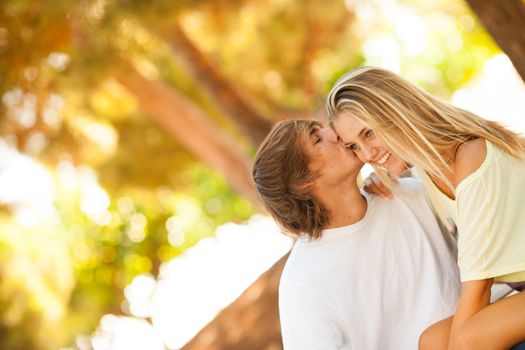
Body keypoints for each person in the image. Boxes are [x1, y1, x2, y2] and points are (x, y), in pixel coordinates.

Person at [326, 66, 525, 350]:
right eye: (354, 146)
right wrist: (377, 178)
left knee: (468, 341)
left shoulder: (472, 160)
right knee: (431, 341)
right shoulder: (428, 168)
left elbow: (478, 289)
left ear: (399, 112)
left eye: (369, 133)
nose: (367, 155)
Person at [252, 119, 460, 350]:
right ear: (304, 182)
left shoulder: (404, 192)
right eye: (317, 139)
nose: (335, 133)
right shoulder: (303, 283)